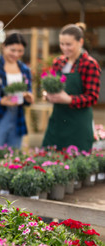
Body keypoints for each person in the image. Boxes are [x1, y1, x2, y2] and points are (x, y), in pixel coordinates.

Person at [42, 23, 101, 151]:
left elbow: (92, 97)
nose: (64, 48)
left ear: (80, 42)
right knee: (49, 159)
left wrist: (69, 99)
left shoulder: (89, 64)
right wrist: (47, 95)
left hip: (78, 124)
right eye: (62, 44)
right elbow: (50, 86)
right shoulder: (58, 62)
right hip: (57, 121)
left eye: (68, 44)